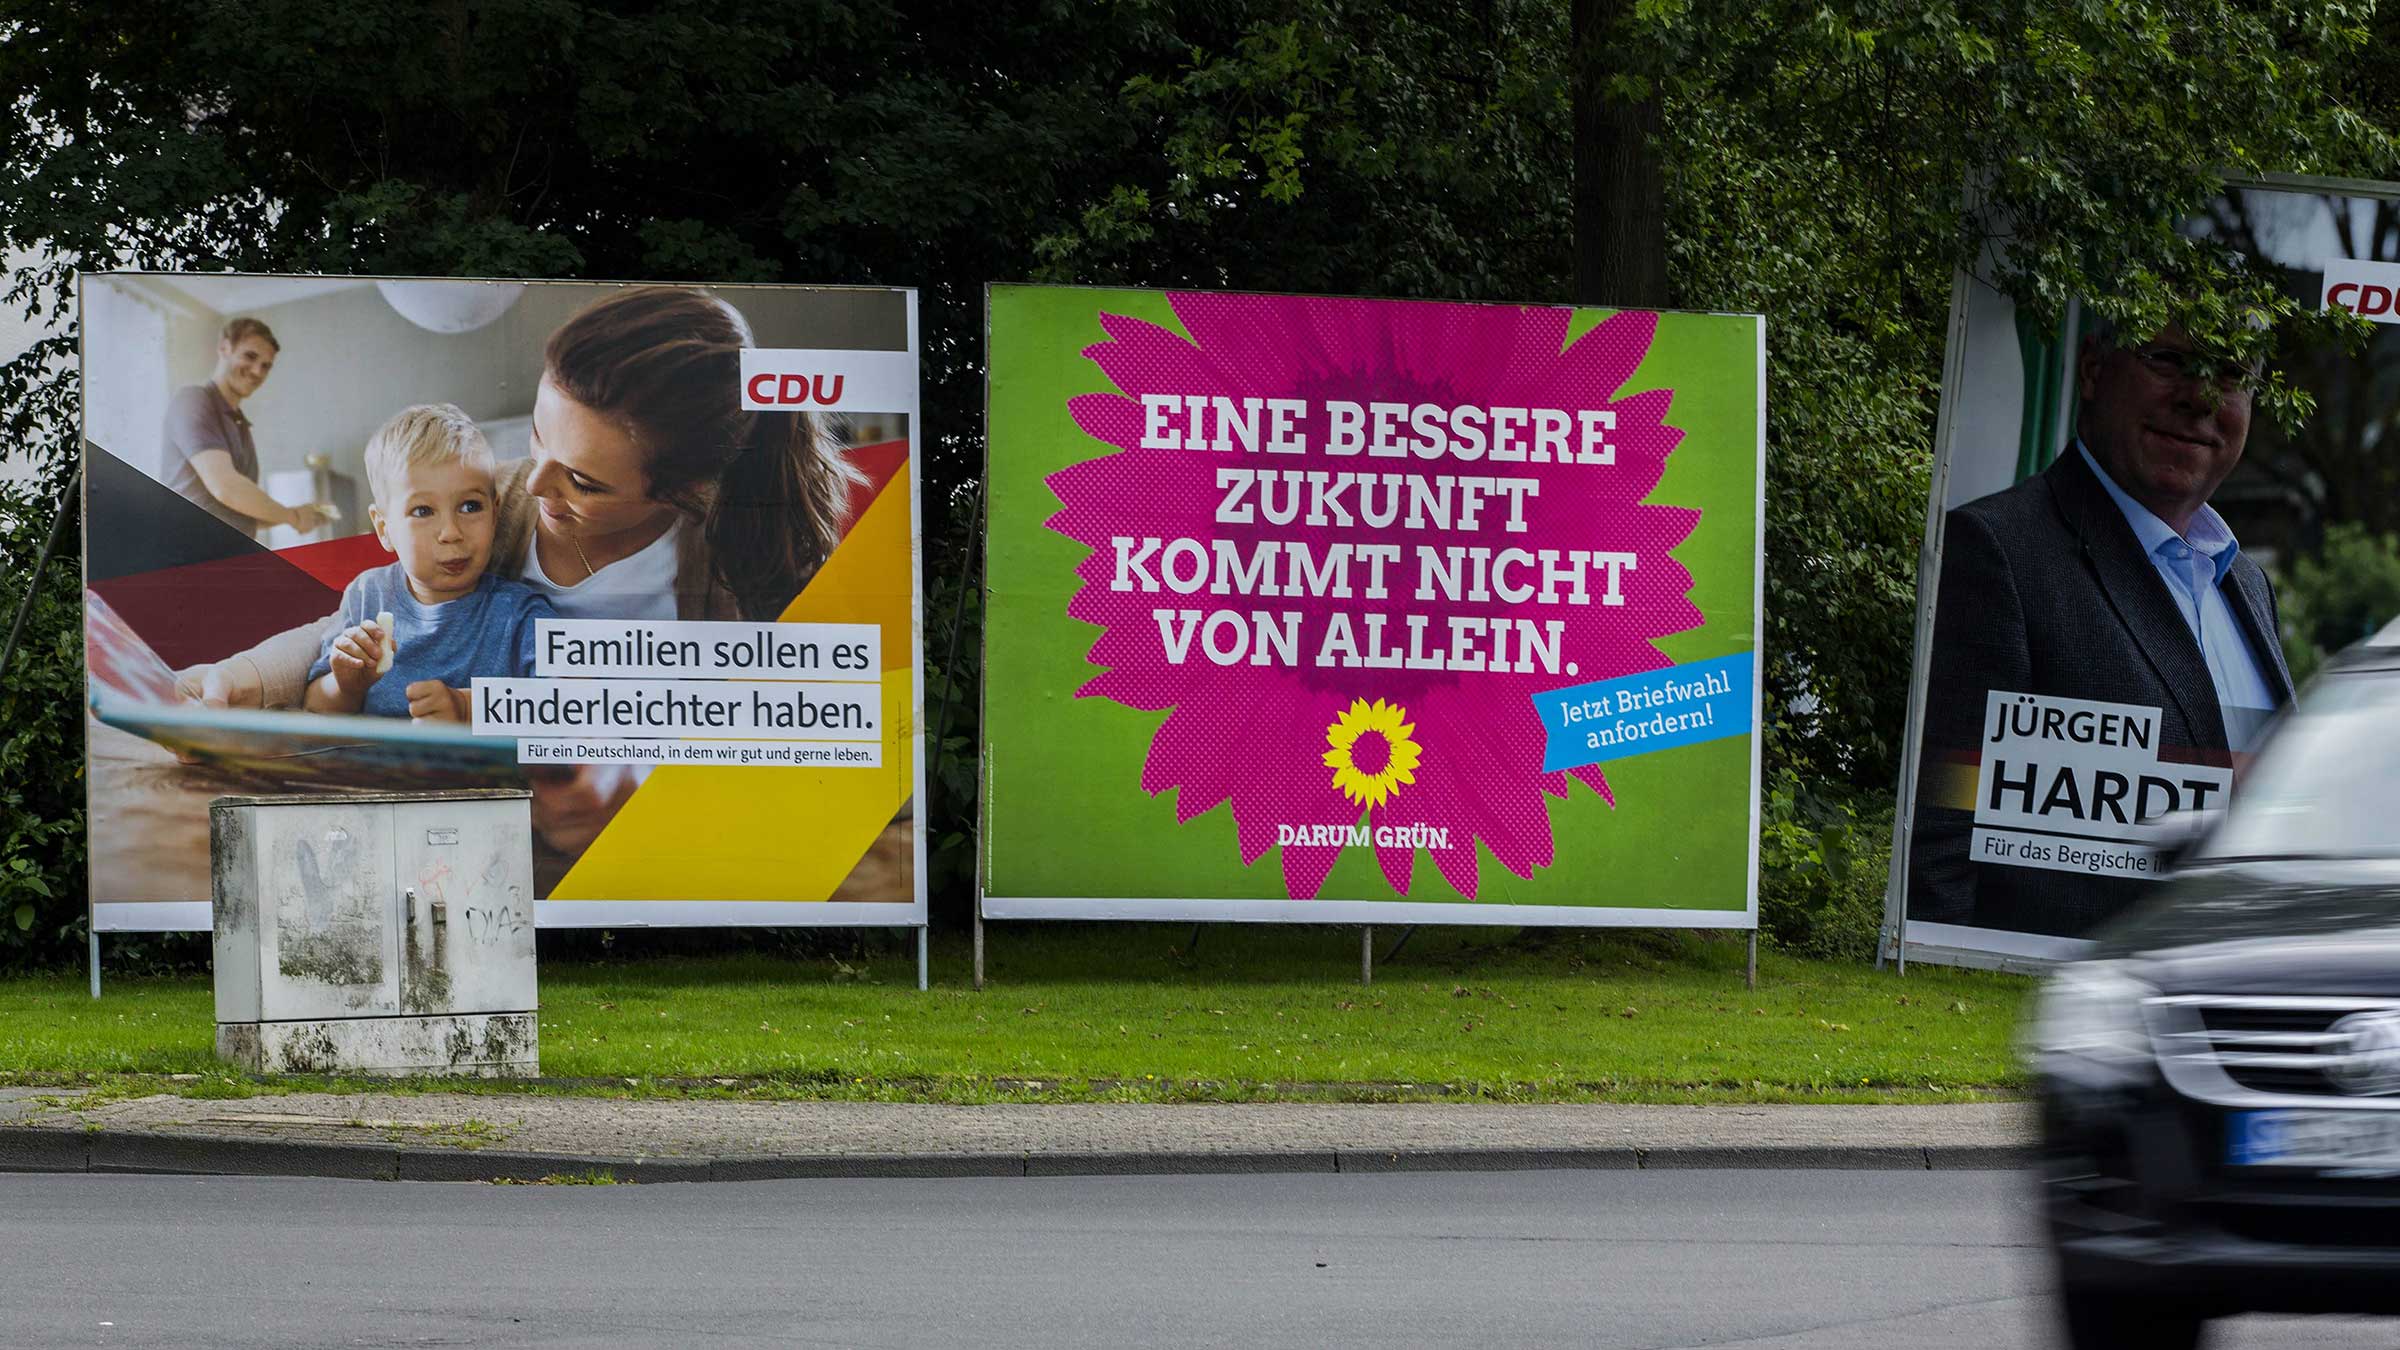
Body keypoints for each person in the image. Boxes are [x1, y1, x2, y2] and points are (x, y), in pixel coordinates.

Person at [181, 285, 857, 858]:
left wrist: (625, 779)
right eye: (538, 434)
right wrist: (238, 680)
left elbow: (795, 731)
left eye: (584, 482)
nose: (533, 483)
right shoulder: (487, 505)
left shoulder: (741, 570)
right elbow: (356, 621)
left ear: (683, 492)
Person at [1909, 322, 2296, 937]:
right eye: (2169, 359)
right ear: (2092, 370)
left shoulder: (2245, 585)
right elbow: (1941, 848)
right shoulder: (2000, 552)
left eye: (2229, 374)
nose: (2199, 398)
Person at [303, 404, 553, 721]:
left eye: (470, 506)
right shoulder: (367, 594)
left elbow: (566, 707)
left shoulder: (519, 614)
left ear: (495, 512)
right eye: (422, 511)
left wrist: (467, 710)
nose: (451, 533)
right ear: (384, 528)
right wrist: (345, 685)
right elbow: (314, 706)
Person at [160, 317, 326, 537]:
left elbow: (240, 512)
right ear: (224, 348)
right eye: (250, 356)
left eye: (266, 366)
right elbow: (226, 488)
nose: (257, 371)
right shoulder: (193, 400)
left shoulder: (240, 423)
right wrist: (292, 517)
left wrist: (298, 514)